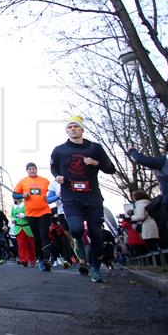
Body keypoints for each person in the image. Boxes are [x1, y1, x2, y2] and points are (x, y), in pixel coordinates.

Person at [50, 116, 116, 282]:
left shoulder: (94, 148)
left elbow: (111, 169)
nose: (73, 129)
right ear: (66, 131)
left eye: (76, 126)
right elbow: (53, 167)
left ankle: (95, 268)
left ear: (82, 129)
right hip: (70, 196)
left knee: (96, 234)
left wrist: (96, 163)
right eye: (70, 127)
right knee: (76, 229)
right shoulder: (59, 150)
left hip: (92, 195)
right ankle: (78, 241)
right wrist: (58, 176)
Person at [12, 162, 54, 271]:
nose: (32, 170)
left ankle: (47, 259)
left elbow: (52, 191)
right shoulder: (23, 181)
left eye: (34, 168)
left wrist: (51, 197)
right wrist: (22, 195)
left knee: (44, 235)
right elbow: (14, 194)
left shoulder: (45, 180)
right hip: (30, 214)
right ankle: (40, 259)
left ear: (36, 169)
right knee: (37, 237)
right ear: (27, 171)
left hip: (45, 212)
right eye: (30, 169)